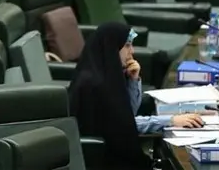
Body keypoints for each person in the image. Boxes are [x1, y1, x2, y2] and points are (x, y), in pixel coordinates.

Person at [68, 22, 204, 170]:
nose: (132, 51)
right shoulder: (94, 85)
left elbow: (128, 116)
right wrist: (170, 121)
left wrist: (133, 81)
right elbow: (126, 126)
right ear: (112, 47)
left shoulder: (107, 75)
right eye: (127, 45)